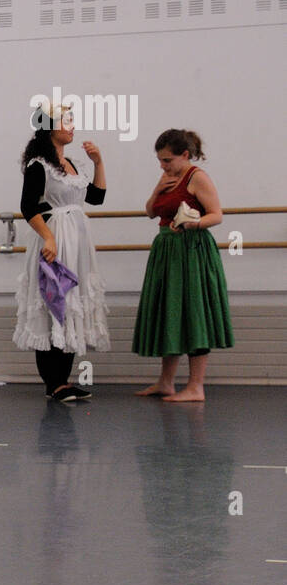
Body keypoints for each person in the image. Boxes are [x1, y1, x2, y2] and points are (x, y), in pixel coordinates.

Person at [12, 101, 110, 400]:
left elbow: (97, 197)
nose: (71, 126)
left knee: (71, 304)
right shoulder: (38, 165)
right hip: (55, 238)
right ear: (50, 127)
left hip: (77, 241)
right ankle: (53, 382)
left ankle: (63, 380)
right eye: (66, 121)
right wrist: (48, 238)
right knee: (54, 301)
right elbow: (28, 206)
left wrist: (98, 162)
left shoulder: (75, 165)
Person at [133, 129, 233, 402]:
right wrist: (157, 189)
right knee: (171, 312)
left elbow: (216, 214)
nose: (163, 166)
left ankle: (195, 386)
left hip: (191, 250)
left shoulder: (197, 177)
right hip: (167, 249)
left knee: (193, 312)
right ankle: (166, 382)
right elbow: (151, 211)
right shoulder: (167, 177)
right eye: (160, 161)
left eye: (167, 160)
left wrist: (195, 223)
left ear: (185, 155)